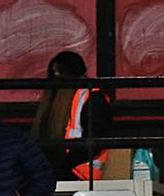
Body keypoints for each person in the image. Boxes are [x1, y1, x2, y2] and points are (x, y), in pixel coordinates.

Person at [31, 51, 112, 181]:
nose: (56, 77)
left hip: (80, 171)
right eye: (53, 73)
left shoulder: (93, 98)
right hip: (59, 167)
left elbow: (95, 142)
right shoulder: (53, 101)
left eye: (60, 72)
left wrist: (59, 163)